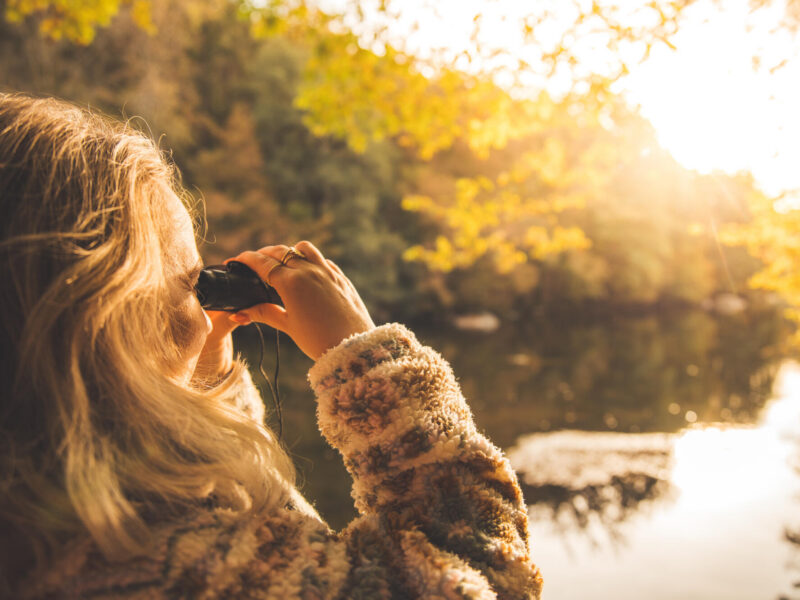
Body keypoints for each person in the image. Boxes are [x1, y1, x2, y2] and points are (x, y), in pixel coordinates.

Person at [0, 93, 543, 599]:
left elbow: (261, 534)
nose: (208, 305)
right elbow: (481, 570)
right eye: (195, 283)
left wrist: (205, 384)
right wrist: (372, 362)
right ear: (107, 318)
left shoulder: (62, 519)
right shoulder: (173, 558)